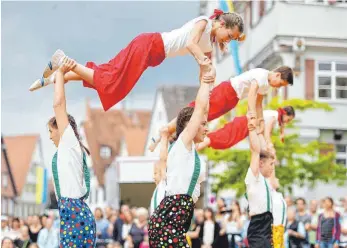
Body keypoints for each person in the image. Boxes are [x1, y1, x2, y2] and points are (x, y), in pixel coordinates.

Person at [30, 10, 245, 111]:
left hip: (151, 53)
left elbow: (203, 73)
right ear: (222, 24)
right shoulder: (204, 24)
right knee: (110, 84)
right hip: (149, 46)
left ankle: (57, 77)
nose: (230, 41)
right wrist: (203, 62)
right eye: (231, 35)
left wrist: (205, 92)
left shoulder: (208, 44)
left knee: (108, 75)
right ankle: (64, 60)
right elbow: (190, 44)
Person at [149, 66, 294, 152]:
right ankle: (167, 129)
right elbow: (252, 94)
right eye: (280, 83)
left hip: (232, 99)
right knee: (197, 110)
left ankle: (176, 136)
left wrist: (260, 119)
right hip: (227, 91)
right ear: (277, 74)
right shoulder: (262, 75)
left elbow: (259, 103)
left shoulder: (267, 85)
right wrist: (251, 115)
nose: (278, 87)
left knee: (202, 119)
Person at [148, 73, 213, 246]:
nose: (206, 128)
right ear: (188, 125)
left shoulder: (191, 152)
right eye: (203, 124)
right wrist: (206, 82)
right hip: (170, 217)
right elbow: (200, 109)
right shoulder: (182, 144)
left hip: (178, 217)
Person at [48, 57, 96, 246]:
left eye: (51, 131)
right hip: (71, 213)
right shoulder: (66, 149)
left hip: (74, 213)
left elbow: (59, 104)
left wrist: (60, 75)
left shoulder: (68, 142)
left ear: (61, 128)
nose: (50, 137)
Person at [195, 106, 295, 152]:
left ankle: (197, 145)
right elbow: (267, 133)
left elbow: (282, 125)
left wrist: (282, 133)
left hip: (245, 127)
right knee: (223, 138)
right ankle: (196, 147)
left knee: (225, 141)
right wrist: (270, 145)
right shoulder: (273, 117)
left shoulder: (275, 116)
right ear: (285, 114)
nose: (287, 122)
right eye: (288, 119)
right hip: (244, 124)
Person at [245, 112, 275, 248]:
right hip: (258, 225)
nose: (272, 168)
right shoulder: (254, 176)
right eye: (271, 165)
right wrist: (252, 129)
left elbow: (264, 148)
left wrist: (260, 131)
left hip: (266, 225)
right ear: (261, 163)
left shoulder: (264, 180)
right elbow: (256, 151)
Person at [149, 127, 170, 216]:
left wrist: (163, 137)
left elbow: (163, 158)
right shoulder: (159, 188)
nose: (153, 177)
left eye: (155, 173)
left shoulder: (164, 183)